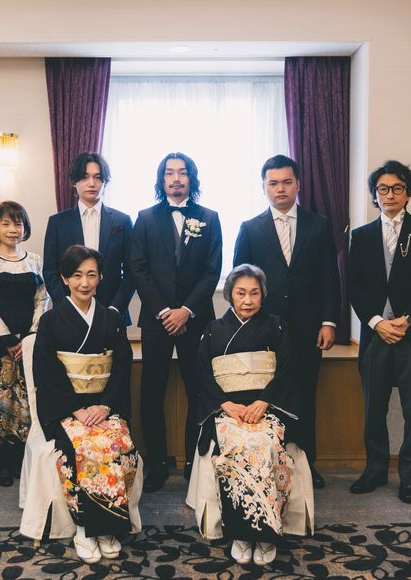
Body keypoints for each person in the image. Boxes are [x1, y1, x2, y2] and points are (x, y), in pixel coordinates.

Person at [187, 264, 313, 566]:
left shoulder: (277, 326)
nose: (247, 300)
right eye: (241, 293)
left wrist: (265, 400)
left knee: (265, 445)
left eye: (254, 293)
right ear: (230, 295)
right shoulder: (213, 329)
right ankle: (241, 534)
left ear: (262, 295)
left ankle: (266, 533)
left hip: (266, 407)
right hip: (228, 409)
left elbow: (287, 369)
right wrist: (224, 404)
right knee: (235, 446)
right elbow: (201, 373)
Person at [233, 154, 340, 489]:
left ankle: (307, 464)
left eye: (287, 182)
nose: (280, 188)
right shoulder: (250, 228)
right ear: (264, 187)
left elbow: (329, 277)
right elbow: (239, 282)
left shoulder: (319, 225)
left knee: (305, 396)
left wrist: (329, 321)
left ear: (298, 184)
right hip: (265, 331)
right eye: (273, 183)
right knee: (268, 396)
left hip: (309, 330)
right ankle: (268, 463)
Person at [33, 245, 142, 564]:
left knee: (120, 445)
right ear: (65, 278)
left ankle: (106, 528)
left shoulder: (111, 318)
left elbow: (121, 366)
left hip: (104, 406)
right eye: (77, 275)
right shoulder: (51, 320)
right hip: (68, 409)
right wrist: (76, 410)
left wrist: (106, 406)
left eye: (91, 275)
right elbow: (46, 370)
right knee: (83, 447)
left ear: (101, 278)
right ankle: (84, 528)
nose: (84, 282)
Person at [348, 160, 411, 504]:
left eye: (397, 188)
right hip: (376, 336)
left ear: (407, 193)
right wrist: (377, 322)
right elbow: (354, 286)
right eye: (383, 189)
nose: (390, 195)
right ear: (375, 195)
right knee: (373, 410)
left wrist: (409, 319)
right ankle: (375, 470)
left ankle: (410, 477)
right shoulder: (361, 236)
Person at [130, 152, 223, 491]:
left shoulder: (209, 218)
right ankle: (155, 463)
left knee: (198, 389)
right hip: (156, 321)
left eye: (182, 173)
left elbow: (212, 271)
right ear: (162, 179)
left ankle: (193, 462)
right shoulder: (144, 218)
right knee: (151, 392)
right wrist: (164, 312)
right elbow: (137, 268)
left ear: (191, 179)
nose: (176, 179)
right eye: (169, 173)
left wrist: (186, 310)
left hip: (195, 320)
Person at [0, 201, 48, 487]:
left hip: (28, 342)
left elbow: (43, 299)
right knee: (0, 402)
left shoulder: (34, 260)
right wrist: (6, 340)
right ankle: (0, 461)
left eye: (18, 223)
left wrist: (29, 337)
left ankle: (21, 459)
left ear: (25, 227)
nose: (13, 229)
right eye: (6, 223)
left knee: (26, 401)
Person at [43, 152, 134, 320]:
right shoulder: (57, 222)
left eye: (98, 177)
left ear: (105, 182)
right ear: (74, 182)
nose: (92, 183)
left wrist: (116, 308)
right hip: (69, 314)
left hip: (112, 313)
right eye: (85, 177)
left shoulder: (122, 221)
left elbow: (131, 271)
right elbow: (50, 271)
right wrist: (66, 306)